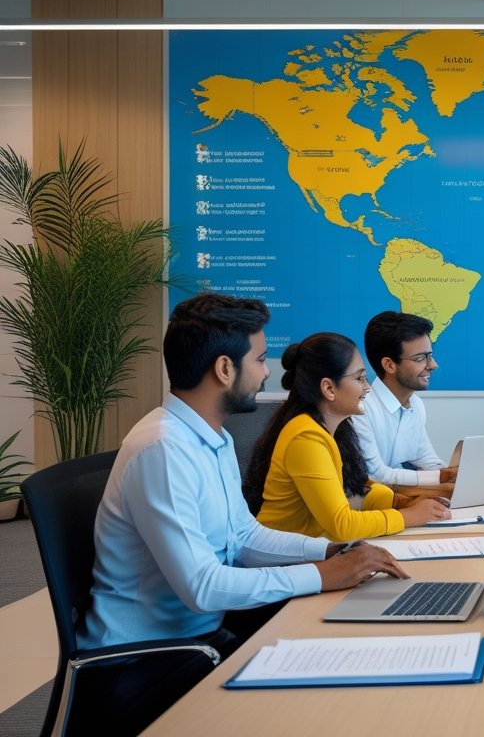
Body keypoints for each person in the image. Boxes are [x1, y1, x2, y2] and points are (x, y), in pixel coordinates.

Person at [81, 293, 406, 735]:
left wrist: (331, 551)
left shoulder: (210, 439)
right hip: (148, 660)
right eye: (259, 359)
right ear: (224, 369)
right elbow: (204, 586)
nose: (268, 371)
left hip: (203, 633)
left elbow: (244, 537)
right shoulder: (164, 449)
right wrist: (323, 574)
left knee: (344, 648)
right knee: (326, 697)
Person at [245, 332, 450, 541]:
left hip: (310, 551)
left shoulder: (336, 429)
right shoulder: (305, 438)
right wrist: (407, 516)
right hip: (281, 558)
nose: (367, 387)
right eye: (359, 378)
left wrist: (399, 502)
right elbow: (342, 525)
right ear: (329, 388)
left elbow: (358, 490)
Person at [352, 311, 456, 487]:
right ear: (389, 365)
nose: (433, 365)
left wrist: (454, 474)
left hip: (398, 498)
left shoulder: (416, 403)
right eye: (421, 358)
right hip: (372, 506)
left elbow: (425, 458)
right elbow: (375, 475)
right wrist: (441, 478)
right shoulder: (360, 407)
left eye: (430, 356)